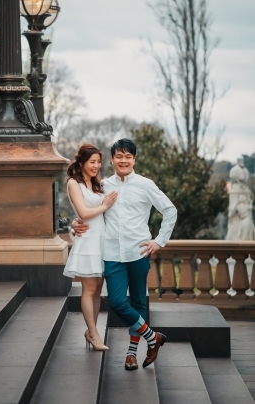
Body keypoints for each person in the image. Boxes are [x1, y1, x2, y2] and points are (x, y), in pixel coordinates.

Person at [74, 138, 177, 370]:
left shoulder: (145, 184)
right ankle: (153, 338)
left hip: (139, 251)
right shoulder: (103, 185)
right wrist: (74, 223)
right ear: (111, 160)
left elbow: (170, 210)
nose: (123, 160)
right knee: (118, 302)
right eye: (119, 156)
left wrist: (159, 241)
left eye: (128, 156)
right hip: (111, 254)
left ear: (134, 159)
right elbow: (89, 210)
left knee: (139, 302)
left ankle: (131, 354)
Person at [63, 144, 118, 351]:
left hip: (101, 240)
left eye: (98, 162)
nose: (96, 166)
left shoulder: (97, 184)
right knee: (90, 288)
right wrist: (104, 206)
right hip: (88, 241)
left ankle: (91, 331)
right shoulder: (73, 183)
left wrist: (75, 224)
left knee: (98, 290)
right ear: (82, 162)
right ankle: (93, 334)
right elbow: (84, 213)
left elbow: (99, 215)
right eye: (92, 162)